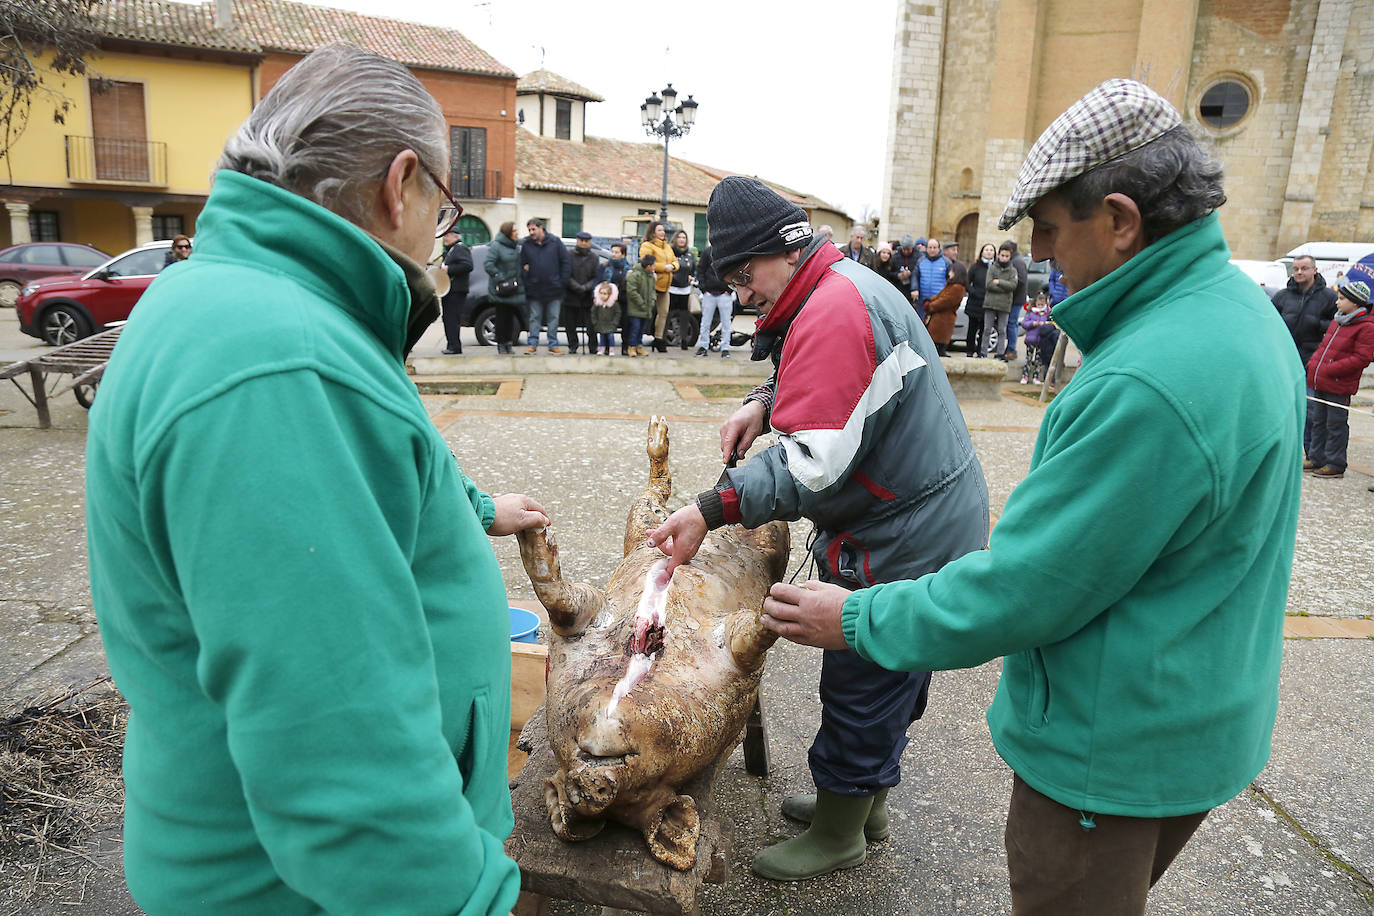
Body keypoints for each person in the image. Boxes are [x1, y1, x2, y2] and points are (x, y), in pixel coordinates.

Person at [757, 78, 1304, 916]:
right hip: (1189, 709)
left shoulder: (1148, 379)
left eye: (1048, 228)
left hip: (1111, 748)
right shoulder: (1234, 313)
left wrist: (857, 618)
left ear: (1120, 221)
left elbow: (1026, 588)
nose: (1041, 253)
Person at [85, 42, 551, 915]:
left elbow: (373, 478)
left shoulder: (253, 310)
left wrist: (475, 510)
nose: (439, 236)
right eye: (444, 211)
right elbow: (343, 761)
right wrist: (474, 900)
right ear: (401, 183)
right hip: (303, 893)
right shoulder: (281, 361)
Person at [647, 176, 989, 883]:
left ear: (786, 249)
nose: (742, 293)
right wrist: (762, 399)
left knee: (864, 678)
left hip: (902, 531)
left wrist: (712, 507)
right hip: (922, 515)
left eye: (745, 275)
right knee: (893, 669)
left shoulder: (834, 310)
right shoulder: (838, 286)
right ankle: (864, 807)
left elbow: (813, 466)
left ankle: (840, 833)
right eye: (731, 282)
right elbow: (827, 375)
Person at [1305, 279, 1374, 479]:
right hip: (1321, 381)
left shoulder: (1366, 327)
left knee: (1335, 425)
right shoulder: (1337, 321)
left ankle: (1335, 463)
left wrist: (1331, 369)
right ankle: (1316, 457)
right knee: (1318, 421)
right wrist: (1313, 365)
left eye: (1342, 299)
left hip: (1339, 384)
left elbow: (1362, 358)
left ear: (1355, 302)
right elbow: (1323, 347)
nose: (1337, 302)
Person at [1273, 254, 1338, 461]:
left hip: (1313, 361)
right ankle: (1285, 453)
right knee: (1283, 408)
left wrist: (1316, 324)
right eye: (1296, 269)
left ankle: (1313, 454)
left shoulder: (1329, 297)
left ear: (1314, 271)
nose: (1299, 272)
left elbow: (1337, 326)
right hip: (1285, 360)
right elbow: (1270, 322)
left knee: (1312, 411)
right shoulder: (1282, 296)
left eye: (1304, 268)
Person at [520, 218, 570, 354]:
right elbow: (522, 264)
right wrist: (526, 279)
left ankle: (553, 344)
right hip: (534, 289)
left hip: (554, 289)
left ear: (541, 228)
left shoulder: (555, 242)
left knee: (553, 318)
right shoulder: (527, 245)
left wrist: (562, 282)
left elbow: (565, 262)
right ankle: (532, 345)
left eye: (533, 229)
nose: (531, 232)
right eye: (529, 230)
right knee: (534, 318)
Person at [486, 221, 524, 354]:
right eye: (514, 231)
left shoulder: (515, 246)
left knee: (510, 318)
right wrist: (500, 278)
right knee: (501, 317)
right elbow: (488, 264)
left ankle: (508, 343)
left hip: (513, 288)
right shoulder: (496, 246)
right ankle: (501, 344)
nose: (517, 233)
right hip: (501, 288)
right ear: (508, 233)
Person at [639, 221, 678, 353]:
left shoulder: (667, 247)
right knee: (645, 312)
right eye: (659, 230)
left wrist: (673, 266)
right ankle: (637, 340)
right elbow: (646, 262)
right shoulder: (647, 245)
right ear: (653, 232)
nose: (663, 232)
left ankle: (659, 339)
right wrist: (663, 267)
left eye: (663, 230)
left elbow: (675, 261)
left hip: (665, 286)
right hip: (651, 285)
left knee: (664, 313)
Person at [923, 251, 966, 357]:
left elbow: (945, 301)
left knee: (939, 345)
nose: (949, 272)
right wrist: (929, 300)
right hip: (939, 319)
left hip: (944, 320)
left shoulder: (957, 288)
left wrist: (931, 306)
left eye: (952, 270)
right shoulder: (951, 285)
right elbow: (940, 296)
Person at [694, 244, 733, 358]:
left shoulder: (729, 251)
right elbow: (700, 270)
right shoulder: (707, 252)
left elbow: (732, 270)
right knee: (705, 322)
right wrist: (703, 288)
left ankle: (725, 348)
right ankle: (703, 346)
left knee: (726, 323)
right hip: (709, 293)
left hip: (724, 294)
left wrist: (729, 289)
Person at [564, 230, 600, 355]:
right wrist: (576, 287)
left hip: (587, 296)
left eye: (586, 241)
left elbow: (596, 277)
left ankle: (593, 347)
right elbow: (566, 274)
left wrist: (585, 287)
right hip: (571, 295)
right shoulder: (568, 255)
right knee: (570, 324)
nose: (584, 243)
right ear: (577, 241)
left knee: (591, 325)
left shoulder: (594, 257)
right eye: (581, 241)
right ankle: (572, 345)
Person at [981, 242, 1016, 357]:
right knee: (987, 329)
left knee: (1002, 330)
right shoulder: (992, 268)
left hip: (1004, 305)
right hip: (990, 303)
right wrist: (1004, 288)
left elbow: (1012, 286)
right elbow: (989, 284)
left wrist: (999, 282)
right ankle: (983, 352)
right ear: (998, 255)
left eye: (1007, 256)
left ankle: (1000, 353)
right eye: (1002, 255)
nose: (1004, 258)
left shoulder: (1013, 271)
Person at [439, 229, 471, 355]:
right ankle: (451, 344)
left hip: (457, 290)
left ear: (456, 237)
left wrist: (449, 269)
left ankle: (455, 346)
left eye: (447, 236)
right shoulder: (451, 250)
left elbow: (468, 265)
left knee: (452, 319)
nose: (445, 238)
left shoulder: (460, 248)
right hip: (449, 290)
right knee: (448, 318)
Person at [1018, 290, 1057, 383]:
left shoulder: (1047, 313)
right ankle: (1025, 376)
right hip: (1031, 340)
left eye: (1042, 305)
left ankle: (1036, 376)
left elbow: (1052, 323)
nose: (1040, 306)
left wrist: (1046, 324)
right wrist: (1033, 323)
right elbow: (1024, 323)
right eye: (1038, 304)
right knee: (1028, 358)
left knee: (1038, 360)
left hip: (1041, 340)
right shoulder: (1031, 313)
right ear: (1035, 303)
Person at [602, 242, 633, 356]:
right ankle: (607, 348)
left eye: (616, 252)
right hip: (609, 299)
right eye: (612, 252)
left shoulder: (629, 268)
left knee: (626, 324)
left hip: (624, 299)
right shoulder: (606, 266)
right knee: (608, 324)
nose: (613, 254)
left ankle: (625, 347)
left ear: (623, 254)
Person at [964, 242, 995, 355]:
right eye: (986, 250)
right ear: (982, 252)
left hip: (988, 302)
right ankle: (969, 350)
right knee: (972, 328)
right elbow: (967, 282)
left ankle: (980, 351)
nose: (989, 252)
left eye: (991, 250)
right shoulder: (975, 267)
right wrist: (973, 292)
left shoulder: (995, 267)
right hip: (974, 301)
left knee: (984, 329)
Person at [625, 252, 656, 356]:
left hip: (646, 308)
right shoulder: (635, 275)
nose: (655, 267)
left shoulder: (651, 276)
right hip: (636, 308)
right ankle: (631, 347)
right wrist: (641, 303)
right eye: (654, 265)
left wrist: (653, 299)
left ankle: (639, 346)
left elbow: (653, 290)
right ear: (648, 266)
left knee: (642, 329)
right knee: (635, 328)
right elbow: (632, 291)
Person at [1003, 239, 1029, 360]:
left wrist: (1009, 289)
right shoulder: (1016, 259)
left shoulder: (1017, 261)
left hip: (1016, 298)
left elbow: (1021, 280)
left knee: (1012, 323)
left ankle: (1012, 349)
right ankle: (1010, 348)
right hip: (1015, 298)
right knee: (1011, 323)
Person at [913, 236, 949, 320]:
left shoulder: (946, 262)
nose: (932, 250)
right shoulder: (920, 261)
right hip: (922, 301)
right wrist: (914, 289)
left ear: (939, 249)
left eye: (934, 247)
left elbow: (950, 280)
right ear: (926, 248)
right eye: (930, 247)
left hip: (939, 302)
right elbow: (915, 276)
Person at [591, 279, 619, 355]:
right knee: (602, 337)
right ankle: (601, 349)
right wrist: (595, 322)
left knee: (610, 336)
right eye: (601, 293)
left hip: (610, 324)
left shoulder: (613, 304)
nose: (602, 295)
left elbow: (617, 313)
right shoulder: (598, 303)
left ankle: (611, 349)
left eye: (605, 294)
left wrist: (614, 322)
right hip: (601, 323)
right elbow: (593, 312)